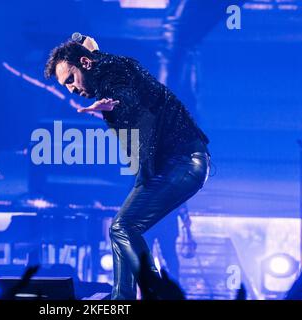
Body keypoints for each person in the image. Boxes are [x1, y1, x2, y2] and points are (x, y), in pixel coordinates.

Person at [44, 40, 210, 299]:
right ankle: (122, 299)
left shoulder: (112, 72)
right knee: (120, 227)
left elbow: (126, 94)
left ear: (85, 64)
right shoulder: (109, 68)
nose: (71, 89)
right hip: (172, 166)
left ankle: (157, 294)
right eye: (66, 85)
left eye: (70, 79)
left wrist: (114, 104)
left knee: (123, 227)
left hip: (184, 162)